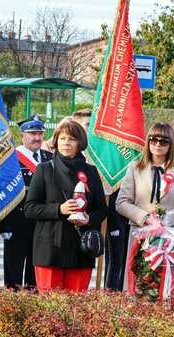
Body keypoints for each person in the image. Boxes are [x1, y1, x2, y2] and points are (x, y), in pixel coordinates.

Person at [24, 119, 107, 293]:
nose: (66, 143)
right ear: (55, 141)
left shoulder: (90, 172)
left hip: (81, 248)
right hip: (50, 249)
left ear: (80, 143)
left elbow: (101, 209)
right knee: (50, 309)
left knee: (75, 308)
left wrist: (88, 218)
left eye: (71, 139)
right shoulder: (45, 169)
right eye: (62, 138)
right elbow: (30, 208)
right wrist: (59, 209)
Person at [116, 122, 174, 288]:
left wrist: (167, 218)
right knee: (138, 286)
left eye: (163, 141)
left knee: (166, 287)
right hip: (140, 235)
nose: (157, 144)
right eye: (153, 140)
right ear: (148, 142)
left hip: (170, 238)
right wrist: (145, 217)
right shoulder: (135, 168)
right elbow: (121, 202)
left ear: (171, 144)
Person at [3, 115, 53, 290]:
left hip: (41, 223)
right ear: (22, 135)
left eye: (40, 133)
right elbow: (4, 193)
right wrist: (4, 225)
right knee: (13, 270)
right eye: (32, 133)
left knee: (36, 271)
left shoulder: (49, 157)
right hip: (17, 222)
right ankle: (13, 308)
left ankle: (32, 308)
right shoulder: (11, 158)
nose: (37, 137)